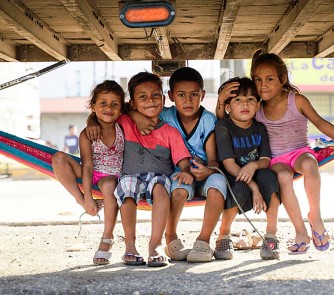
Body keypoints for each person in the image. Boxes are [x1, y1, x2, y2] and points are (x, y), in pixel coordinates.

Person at [217, 52, 334, 254]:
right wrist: (221, 100)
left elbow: (319, 121)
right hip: (275, 160)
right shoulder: (255, 106)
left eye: (270, 79)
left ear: (282, 79)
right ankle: (300, 231)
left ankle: (315, 216)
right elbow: (228, 120)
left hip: (299, 152)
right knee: (284, 177)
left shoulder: (297, 101)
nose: (263, 85)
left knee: (310, 165)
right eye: (258, 80)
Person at [132, 67, 228, 263]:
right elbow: (128, 107)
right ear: (170, 96)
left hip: (205, 173)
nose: (188, 100)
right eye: (181, 95)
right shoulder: (165, 115)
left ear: (202, 95)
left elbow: (213, 159)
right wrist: (136, 116)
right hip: (179, 173)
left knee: (218, 182)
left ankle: (203, 240)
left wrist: (207, 171)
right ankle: (171, 237)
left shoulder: (208, 120)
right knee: (178, 189)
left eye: (194, 94)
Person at [52, 80, 126, 265]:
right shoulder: (87, 134)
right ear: (92, 105)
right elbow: (87, 166)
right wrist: (86, 197)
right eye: (103, 103)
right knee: (58, 158)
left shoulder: (124, 126)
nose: (108, 108)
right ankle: (80, 200)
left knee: (109, 185)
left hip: (115, 175)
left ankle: (107, 238)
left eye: (114, 104)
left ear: (121, 109)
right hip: (93, 173)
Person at [214, 77, 281, 260]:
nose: (245, 104)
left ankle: (271, 236)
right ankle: (224, 234)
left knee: (271, 179)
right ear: (228, 107)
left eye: (250, 99)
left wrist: (253, 165)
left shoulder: (260, 128)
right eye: (238, 100)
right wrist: (254, 187)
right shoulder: (223, 126)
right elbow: (229, 164)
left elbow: (265, 160)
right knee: (239, 187)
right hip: (234, 175)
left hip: (256, 172)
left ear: (258, 105)